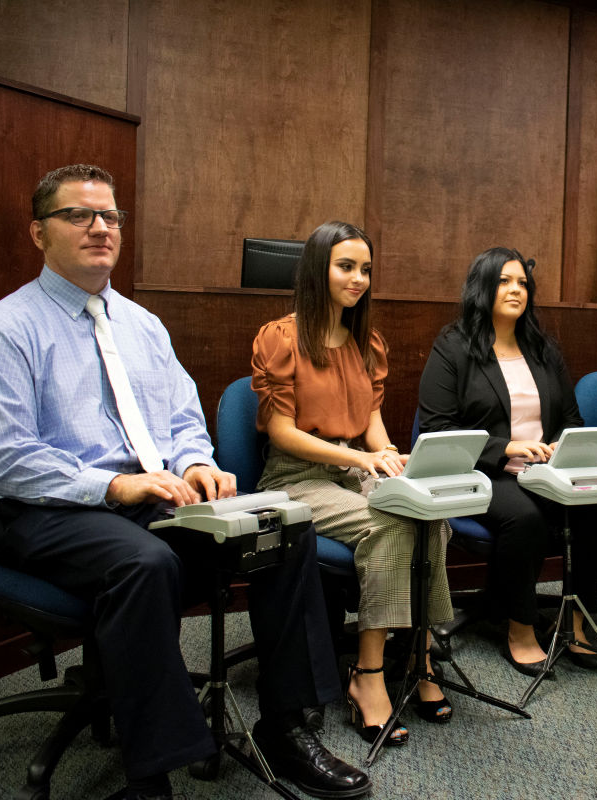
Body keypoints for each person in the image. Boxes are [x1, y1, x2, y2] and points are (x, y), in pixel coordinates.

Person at [0, 165, 368, 800]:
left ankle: (287, 729)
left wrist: (195, 464)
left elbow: (181, 420)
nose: (100, 227)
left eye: (110, 216)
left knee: (283, 531)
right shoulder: (6, 331)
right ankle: (151, 776)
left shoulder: (144, 327)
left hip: (151, 502)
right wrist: (114, 487)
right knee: (145, 563)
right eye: (79, 215)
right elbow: (5, 460)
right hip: (46, 511)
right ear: (38, 234)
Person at [251, 221, 453, 747]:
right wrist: (360, 458)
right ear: (319, 269)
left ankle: (420, 656)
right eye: (346, 266)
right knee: (386, 523)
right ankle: (367, 677)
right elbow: (281, 433)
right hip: (296, 477)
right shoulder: (281, 337)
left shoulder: (368, 343)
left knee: (431, 514)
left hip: (353, 465)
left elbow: (371, 422)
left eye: (365, 268)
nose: (358, 278)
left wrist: (384, 455)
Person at [418, 247, 597, 676]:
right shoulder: (453, 348)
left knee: (596, 507)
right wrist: (505, 448)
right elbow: (437, 428)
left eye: (522, 282)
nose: (515, 289)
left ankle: (576, 624)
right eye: (504, 281)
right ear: (482, 287)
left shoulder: (542, 348)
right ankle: (520, 629)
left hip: (545, 472)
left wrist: (559, 446)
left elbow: (570, 419)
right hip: (481, 473)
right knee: (525, 519)